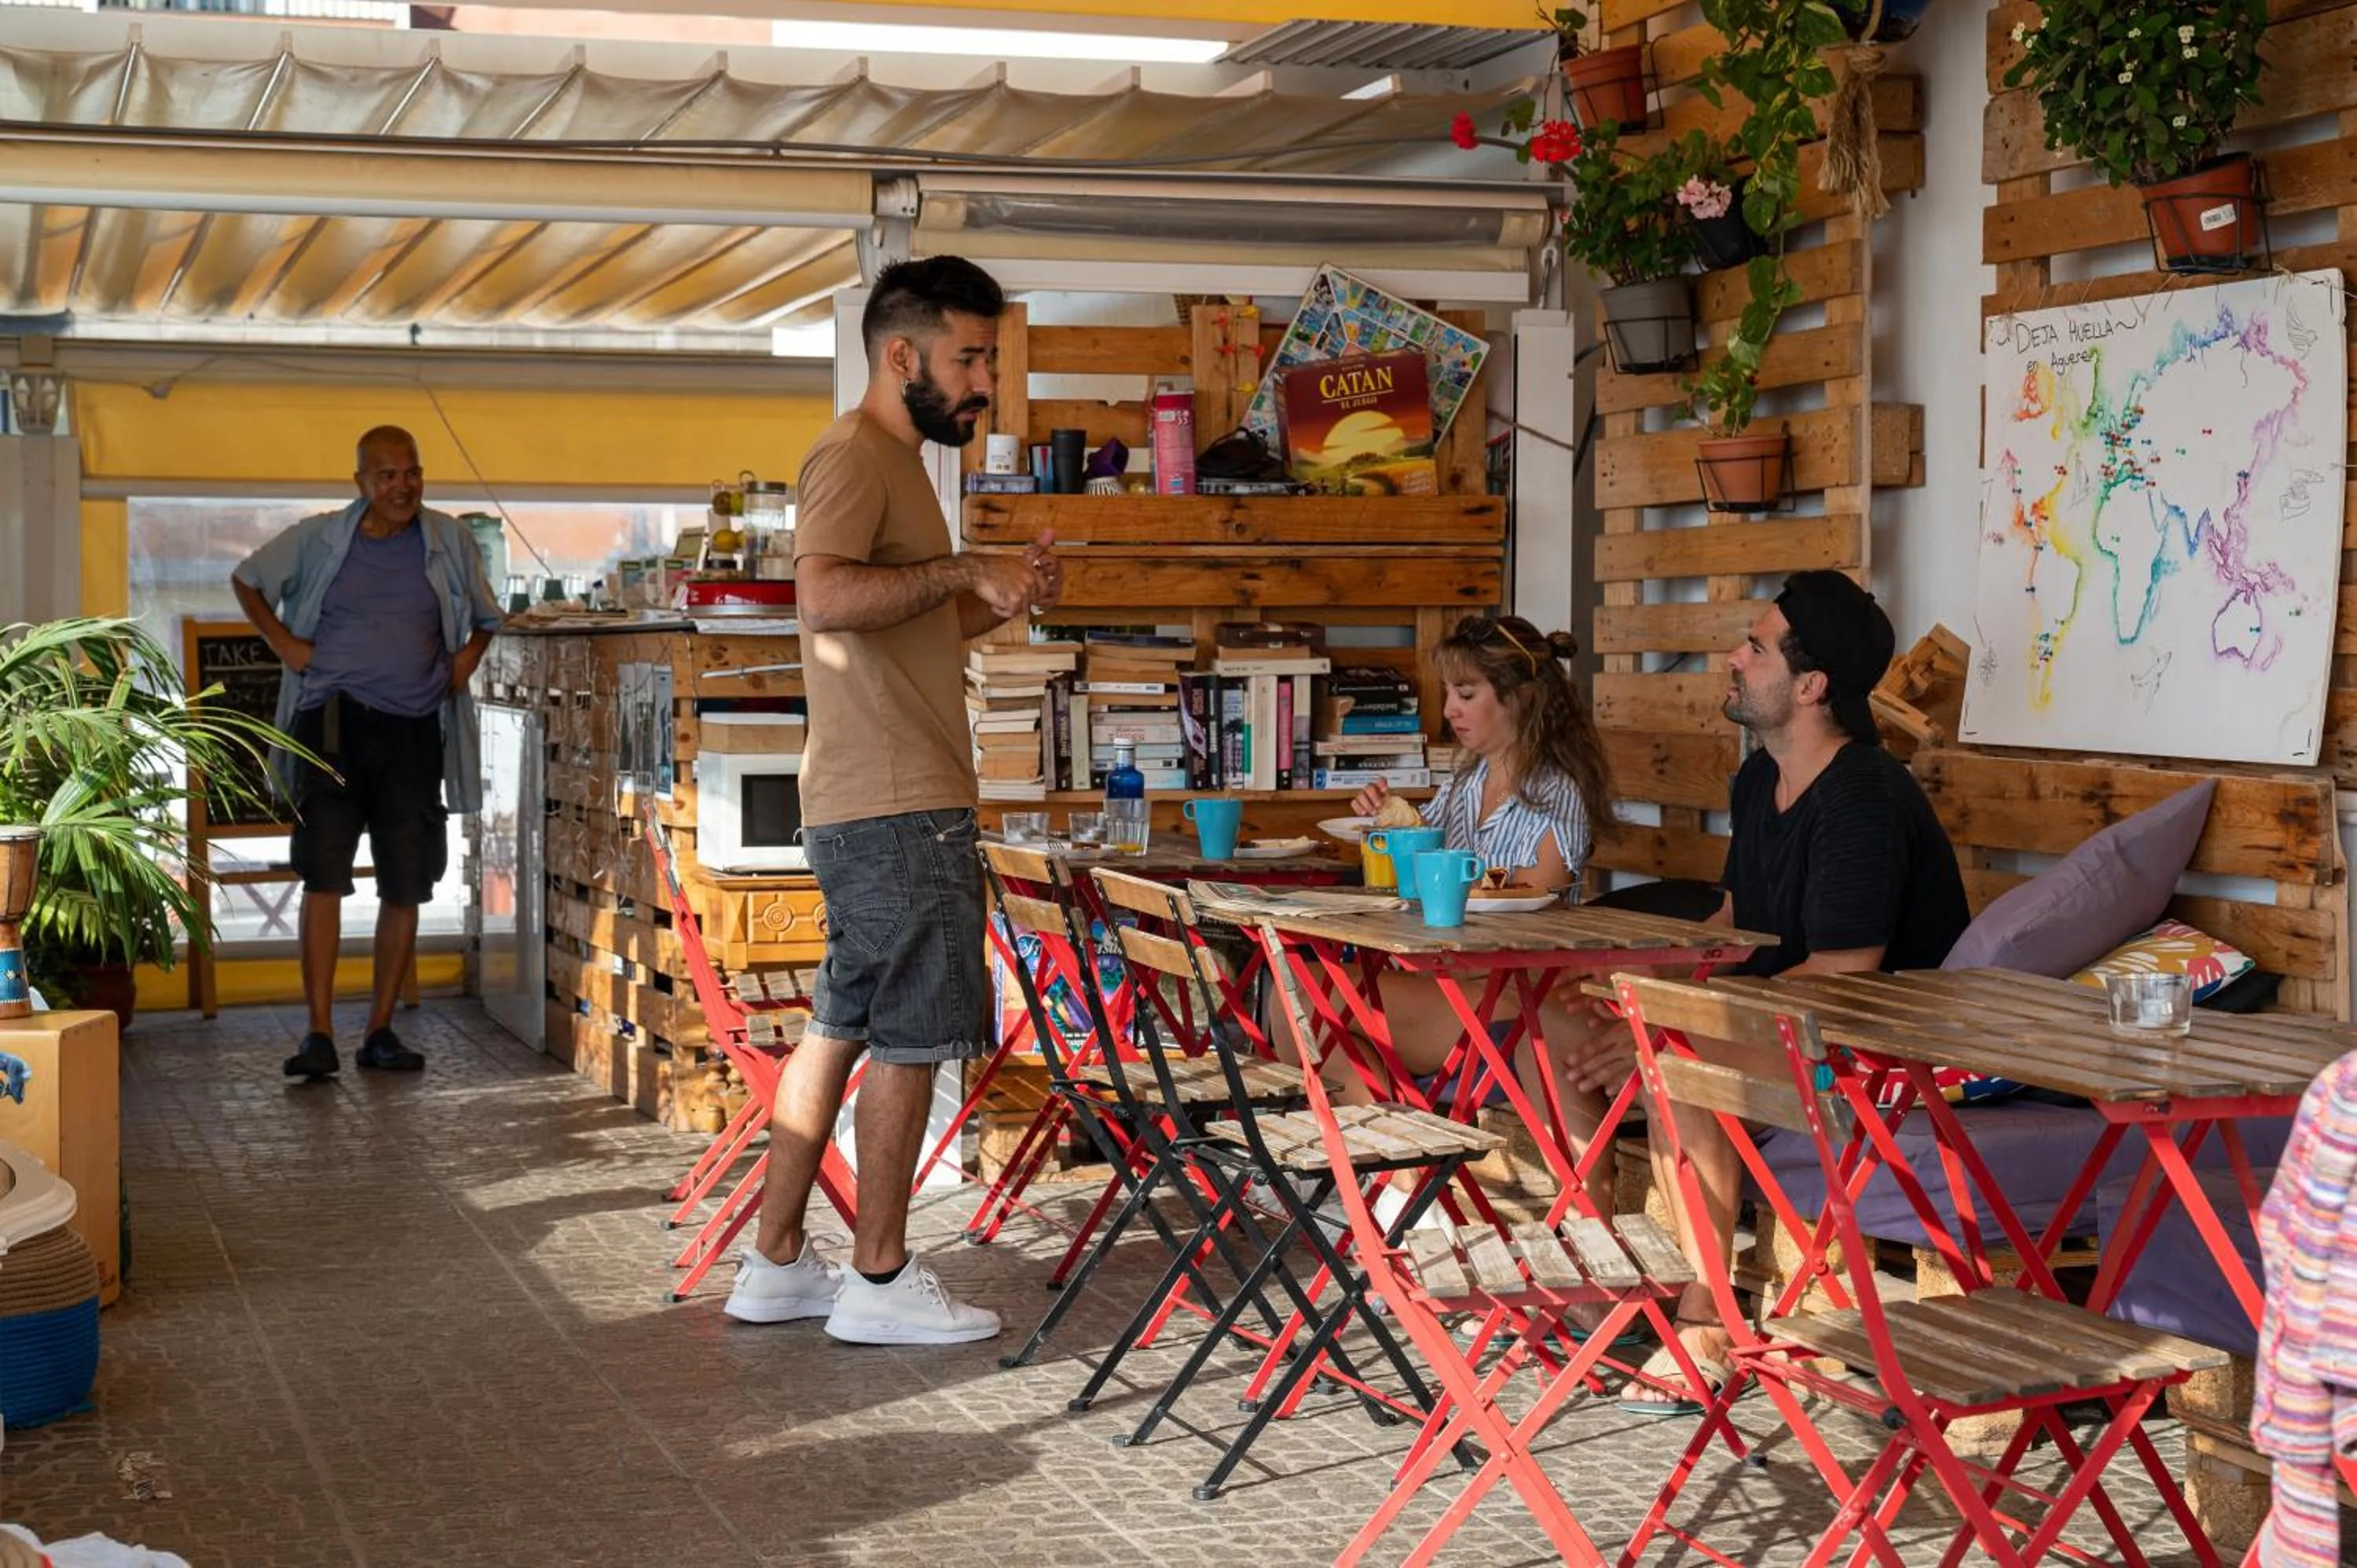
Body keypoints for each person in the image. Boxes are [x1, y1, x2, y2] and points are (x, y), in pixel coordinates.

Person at [723, 255, 1061, 1345]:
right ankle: (876, 1277)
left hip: (870, 795)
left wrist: (991, 598)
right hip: (897, 801)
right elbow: (822, 598)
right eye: (969, 359)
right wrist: (964, 571)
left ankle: (777, 1260)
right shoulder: (859, 454)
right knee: (914, 1033)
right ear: (902, 354)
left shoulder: (901, 464)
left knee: (845, 1022)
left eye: (990, 363)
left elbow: (895, 620)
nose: (983, 386)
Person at [1623, 569, 1970, 1412]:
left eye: (1755, 646)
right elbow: (1741, 923)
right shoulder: (1757, 781)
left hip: (1876, 1045)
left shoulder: (1862, 795)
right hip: (1788, 1021)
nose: (1732, 658)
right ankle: (1604, 1286)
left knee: (1679, 1059)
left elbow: (1846, 973)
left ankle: (1707, 1322)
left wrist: (1679, 1021)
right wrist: (1640, 994)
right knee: (1579, 1025)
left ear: (1810, 685)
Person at [232, 426, 503, 1081]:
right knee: (322, 876)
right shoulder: (322, 537)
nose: (401, 486)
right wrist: (285, 646)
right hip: (330, 726)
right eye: (386, 476)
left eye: (411, 473)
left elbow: (489, 617)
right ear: (361, 482)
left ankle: (380, 1030)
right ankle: (318, 1033)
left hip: (413, 731)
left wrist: (464, 662)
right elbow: (247, 580)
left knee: (406, 881)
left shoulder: (449, 541)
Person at [1344, 614, 1624, 1218]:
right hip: (1449, 985)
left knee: (1320, 1004)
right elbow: (1418, 869)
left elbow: (1541, 895)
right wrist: (1386, 826)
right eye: (1449, 693)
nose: (1450, 708)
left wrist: (1449, 875)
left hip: (1511, 993)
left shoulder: (1558, 793)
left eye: (1466, 694)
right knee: (1303, 998)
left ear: (1520, 699)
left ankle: (1393, 1192)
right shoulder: (1466, 780)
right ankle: (1397, 1183)